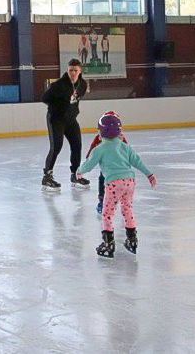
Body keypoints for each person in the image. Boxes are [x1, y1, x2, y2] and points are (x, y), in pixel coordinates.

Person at [76, 113, 156, 258]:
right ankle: (132, 240)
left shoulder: (99, 149)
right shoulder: (125, 146)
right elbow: (137, 161)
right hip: (129, 182)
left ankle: (108, 244)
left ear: (101, 131)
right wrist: (149, 174)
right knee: (127, 209)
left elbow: (88, 165)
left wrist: (79, 172)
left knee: (107, 213)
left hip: (114, 184)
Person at [41, 58, 90, 191]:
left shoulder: (82, 84)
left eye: (75, 70)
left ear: (80, 71)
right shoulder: (59, 85)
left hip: (70, 119)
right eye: (70, 70)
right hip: (56, 119)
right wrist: (60, 106)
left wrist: (71, 111)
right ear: (67, 70)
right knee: (56, 147)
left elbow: (77, 98)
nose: (73, 73)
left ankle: (75, 174)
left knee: (77, 145)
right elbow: (45, 98)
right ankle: (47, 177)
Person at [84, 110, 128, 214]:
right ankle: (102, 201)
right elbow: (91, 152)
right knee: (102, 180)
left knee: (123, 184)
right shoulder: (98, 138)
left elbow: (128, 152)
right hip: (106, 168)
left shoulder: (121, 138)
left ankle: (123, 201)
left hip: (120, 168)